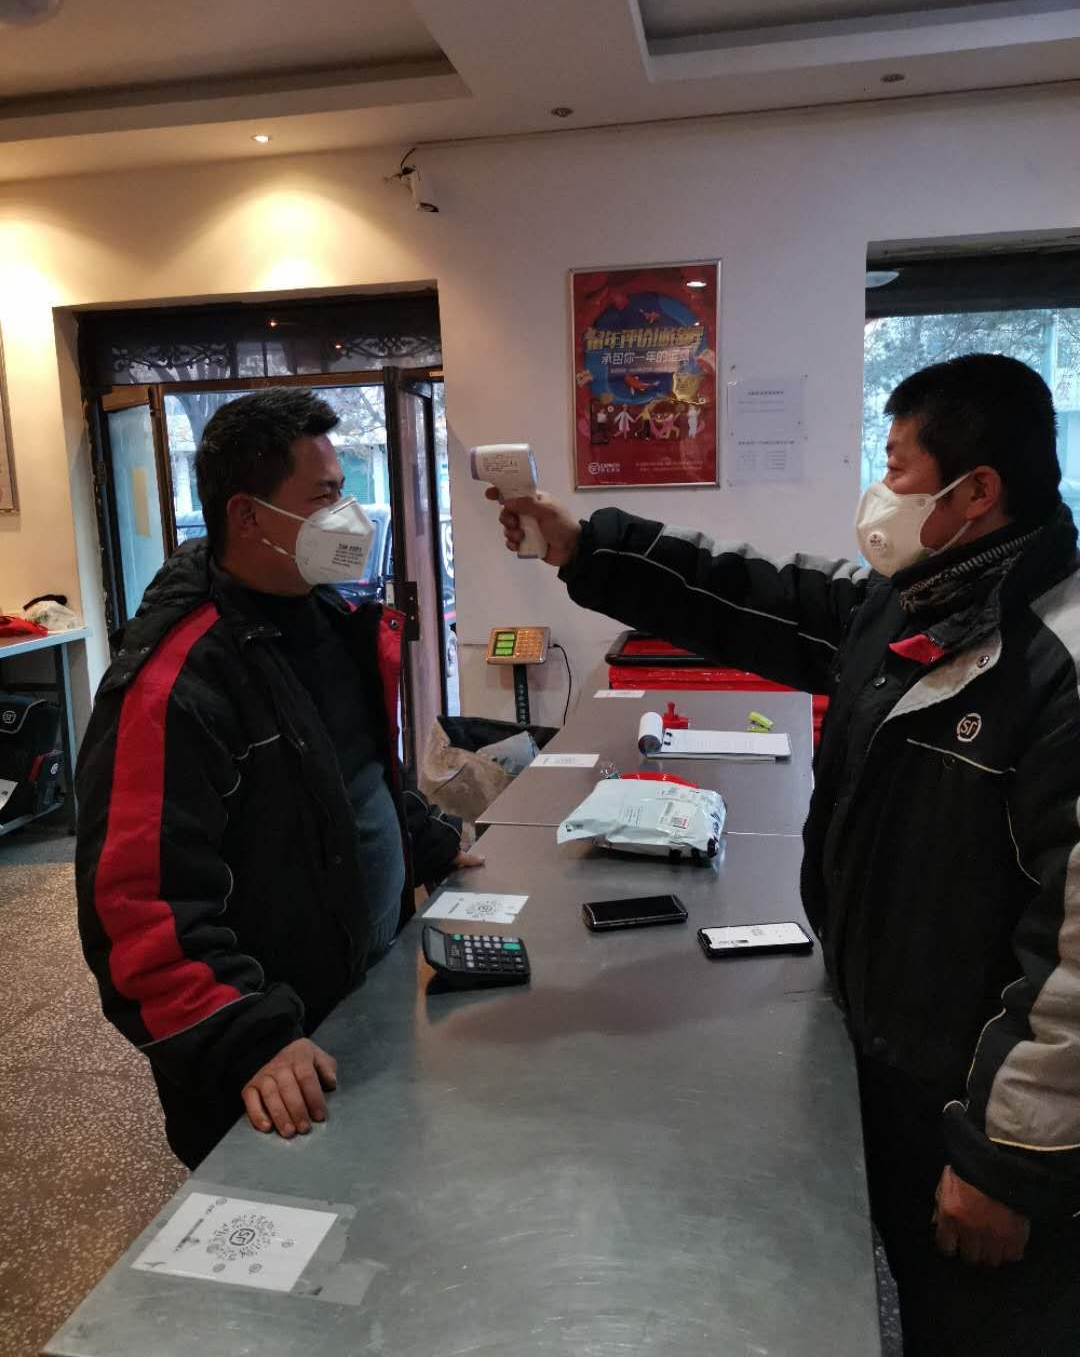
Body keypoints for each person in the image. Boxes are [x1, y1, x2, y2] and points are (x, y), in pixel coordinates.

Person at [489, 354, 1080, 1355]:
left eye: (896, 465)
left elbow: (1074, 956)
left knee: (991, 1327)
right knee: (912, 1294)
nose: (879, 489)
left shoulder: (1056, 661)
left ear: (976, 492)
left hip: (984, 1098)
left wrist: (1006, 1156)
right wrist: (584, 546)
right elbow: (753, 597)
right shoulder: (913, 603)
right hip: (892, 1051)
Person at [76, 388, 478, 1170]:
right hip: (268, 1058)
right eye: (324, 496)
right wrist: (245, 1035)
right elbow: (135, 905)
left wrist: (428, 841)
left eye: (344, 490)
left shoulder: (326, 620)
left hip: (358, 1001)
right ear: (249, 517)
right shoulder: (176, 682)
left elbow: (356, 771)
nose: (350, 516)